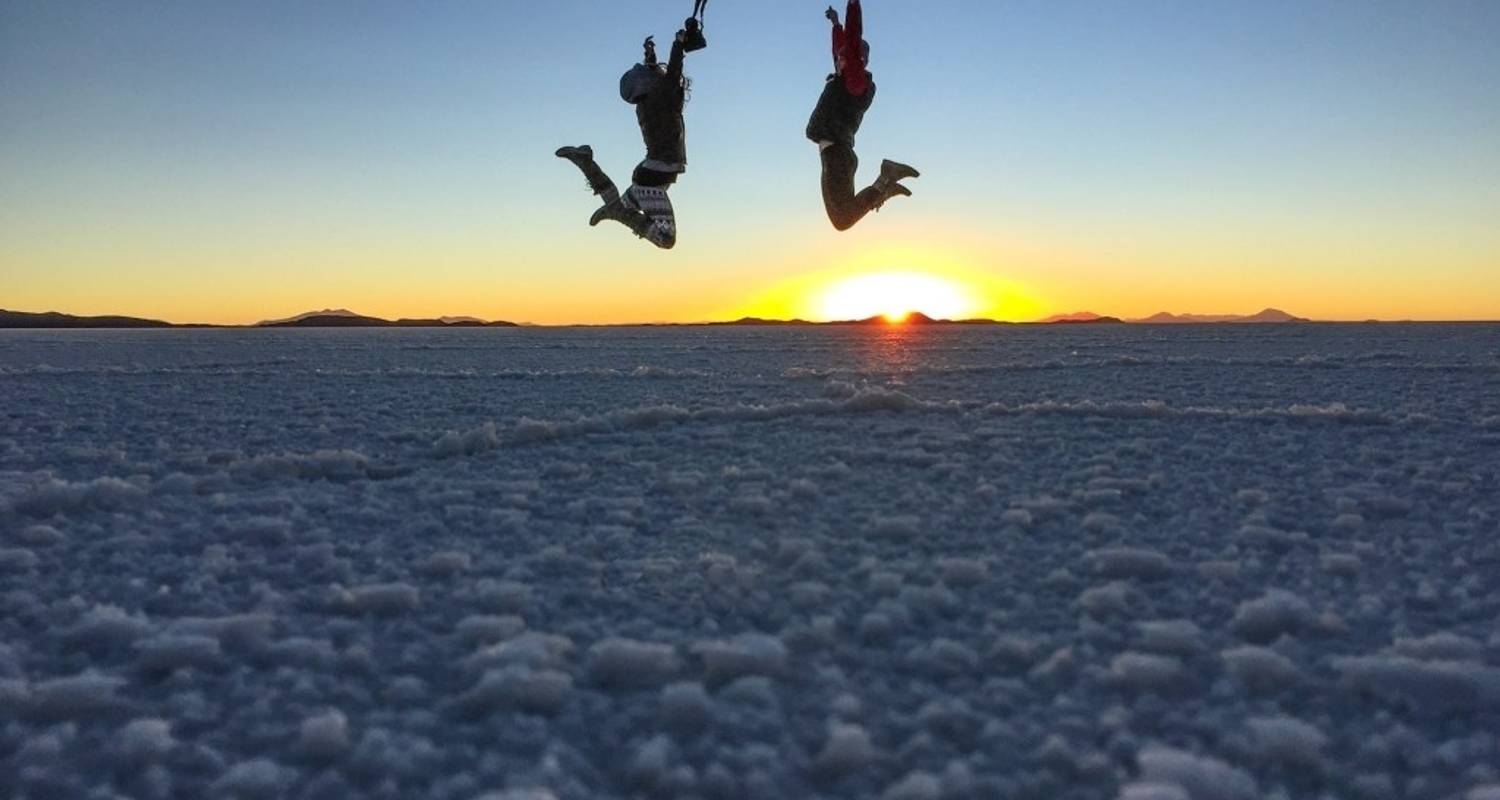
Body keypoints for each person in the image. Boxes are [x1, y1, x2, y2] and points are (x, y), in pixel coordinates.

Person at [557, 19, 704, 250]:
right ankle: (617, 209)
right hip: (653, 180)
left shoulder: (647, 104)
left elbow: (663, 78)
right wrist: (678, 44)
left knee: (620, 207)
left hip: (649, 175)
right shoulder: (660, 100)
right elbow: (673, 73)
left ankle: (586, 162)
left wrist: (651, 57)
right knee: (666, 238)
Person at [806, 0, 918, 231]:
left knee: (842, 219)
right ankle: (884, 184)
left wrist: (853, 5)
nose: (839, 58)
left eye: (845, 56)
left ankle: (885, 181)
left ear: (858, 59)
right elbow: (841, 47)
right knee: (842, 217)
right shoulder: (843, 80)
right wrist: (836, 24)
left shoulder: (855, 81)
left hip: (837, 155)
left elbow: (853, 36)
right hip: (837, 155)